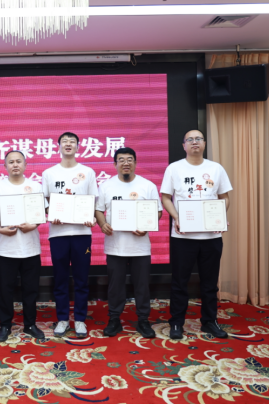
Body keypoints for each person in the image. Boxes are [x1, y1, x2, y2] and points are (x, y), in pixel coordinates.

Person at [160, 129, 232, 340]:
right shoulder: (174, 168)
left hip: (211, 237)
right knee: (179, 282)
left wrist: (219, 216)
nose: (194, 142)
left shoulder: (216, 168)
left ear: (204, 143)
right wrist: (177, 218)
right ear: (184, 145)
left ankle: (209, 321)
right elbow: (165, 198)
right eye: (190, 140)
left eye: (198, 139)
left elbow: (225, 197)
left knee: (210, 283)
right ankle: (176, 322)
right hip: (183, 237)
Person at [95, 147, 162, 338]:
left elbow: (157, 211)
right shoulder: (106, 186)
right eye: (121, 160)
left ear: (135, 163)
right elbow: (98, 210)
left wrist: (146, 226)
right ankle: (114, 319)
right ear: (115, 164)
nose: (126, 163)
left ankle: (143, 320)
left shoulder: (147, 185)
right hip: (115, 246)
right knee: (115, 285)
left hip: (140, 246)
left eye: (130, 159)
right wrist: (103, 224)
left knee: (142, 285)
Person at [0, 150, 47, 342]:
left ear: (25, 165)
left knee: (31, 289)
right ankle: (5, 325)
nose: (15, 165)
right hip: (6, 248)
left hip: (30, 247)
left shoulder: (35, 186)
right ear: (5, 166)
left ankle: (30, 324)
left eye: (18, 161)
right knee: (6, 289)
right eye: (11, 162)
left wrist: (33, 225)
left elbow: (41, 211)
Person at [42, 132, 98, 338]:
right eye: (64, 141)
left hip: (82, 233)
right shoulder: (49, 173)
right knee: (60, 278)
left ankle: (80, 319)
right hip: (58, 234)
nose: (68, 144)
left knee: (82, 278)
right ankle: (63, 319)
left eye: (72, 141)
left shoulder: (88, 172)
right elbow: (44, 202)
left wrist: (91, 218)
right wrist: (51, 214)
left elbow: (93, 201)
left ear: (78, 146)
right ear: (58, 146)